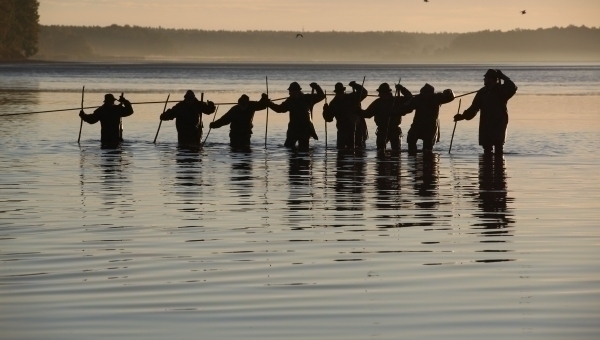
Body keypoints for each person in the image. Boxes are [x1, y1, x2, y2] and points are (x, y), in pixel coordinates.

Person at [453, 69, 517, 155]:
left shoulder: (501, 91)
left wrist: (503, 77)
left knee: (499, 148)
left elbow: (513, 87)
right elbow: (474, 108)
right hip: (486, 125)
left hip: (499, 124)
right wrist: (463, 116)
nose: (484, 80)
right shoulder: (482, 93)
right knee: (487, 149)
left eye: (485, 78)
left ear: (491, 79)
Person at [267, 82, 325, 150]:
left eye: (290, 91)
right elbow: (279, 109)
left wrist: (316, 87)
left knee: (304, 151)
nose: (289, 93)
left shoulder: (308, 99)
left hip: (305, 130)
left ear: (296, 91)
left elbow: (321, 96)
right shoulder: (289, 101)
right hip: (293, 130)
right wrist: (269, 104)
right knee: (288, 148)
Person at [403, 83, 455, 154]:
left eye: (427, 94)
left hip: (430, 127)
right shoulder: (418, 99)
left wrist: (449, 91)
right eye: (424, 94)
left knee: (428, 147)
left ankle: (427, 155)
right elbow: (407, 107)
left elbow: (451, 97)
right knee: (411, 139)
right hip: (417, 125)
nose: (426, 96)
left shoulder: (437, 98)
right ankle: (412, 154)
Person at [360, 83, 412, 151]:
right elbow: (368, 114)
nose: (379, 94)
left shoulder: (397, 100)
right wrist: (357, 110)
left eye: (381, 93)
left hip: (394, 130)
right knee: (380, 150)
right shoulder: (377, 103)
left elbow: (410, 98)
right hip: (381, 130)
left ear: (386, 93)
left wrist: (402, 89)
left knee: (396, 151)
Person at [322, 81, 369, 149]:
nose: (340, 94)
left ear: (343, 91)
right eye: (338, 92)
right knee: (341, 149)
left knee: (358, 148)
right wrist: (325, 110)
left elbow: (364, 92)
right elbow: (329, 118)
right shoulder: (334, 103)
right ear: (336, 93)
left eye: (341, 92)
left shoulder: (352, 97)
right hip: (342, 130)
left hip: (356, 128)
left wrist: (355, 85)